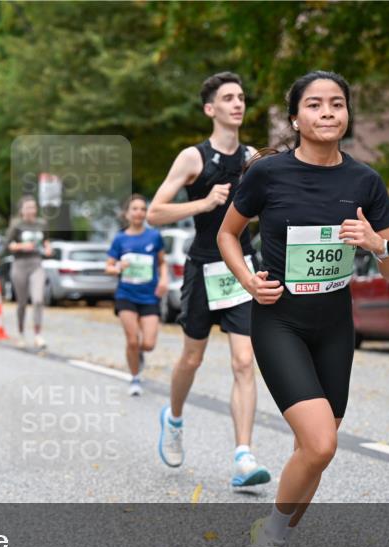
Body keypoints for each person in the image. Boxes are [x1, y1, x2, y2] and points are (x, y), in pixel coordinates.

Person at [218, 71, 389, 547]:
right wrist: (248, 279)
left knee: (315, 449)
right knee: (321, 441)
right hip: (280, 319)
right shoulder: (269, 174)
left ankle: (275, 544)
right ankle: (269, 542)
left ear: (346, 115)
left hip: (334, 327)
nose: (327, 113)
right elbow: (229, 233)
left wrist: (375, 243)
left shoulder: (365, 182)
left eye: (337, 104)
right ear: (295, 117)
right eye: (315, 105)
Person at [147, 71, 270, 489]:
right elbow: (155, 213)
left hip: (242, 265)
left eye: (241, 98)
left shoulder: (254, 156)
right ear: (210, 108)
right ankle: (175, 418)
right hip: (203, 266)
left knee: (243, 360)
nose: (238, 104)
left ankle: (243, 455)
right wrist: (205, 201)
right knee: (193, 358)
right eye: (229, 98)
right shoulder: (193, 158)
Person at [105, 195, 167, 397]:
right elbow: (108, 266)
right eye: (135, 209)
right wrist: (117, 268)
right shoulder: (120, 238)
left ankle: (138, 354)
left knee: (148, 344)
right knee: (132, 340)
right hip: (126, 295)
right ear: (127, 213)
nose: (139, 212)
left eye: (142, 209)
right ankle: (135, 377)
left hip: (149, 296)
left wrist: (164, 279)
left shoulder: (154, 237)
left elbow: (162, 262)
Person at [6, 195, 52, 349]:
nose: (31, 210)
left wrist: (48, 248)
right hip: (20, 264)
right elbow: (8, 245)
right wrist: (21, 246)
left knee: (38, 299)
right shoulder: (16, 225)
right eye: (28, 207)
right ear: (22, 210)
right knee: (22, 302)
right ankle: (21, 334)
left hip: (36, 263)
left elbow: (46, 240)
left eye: (33, 207)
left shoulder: (42, 224)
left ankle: (38, 335)